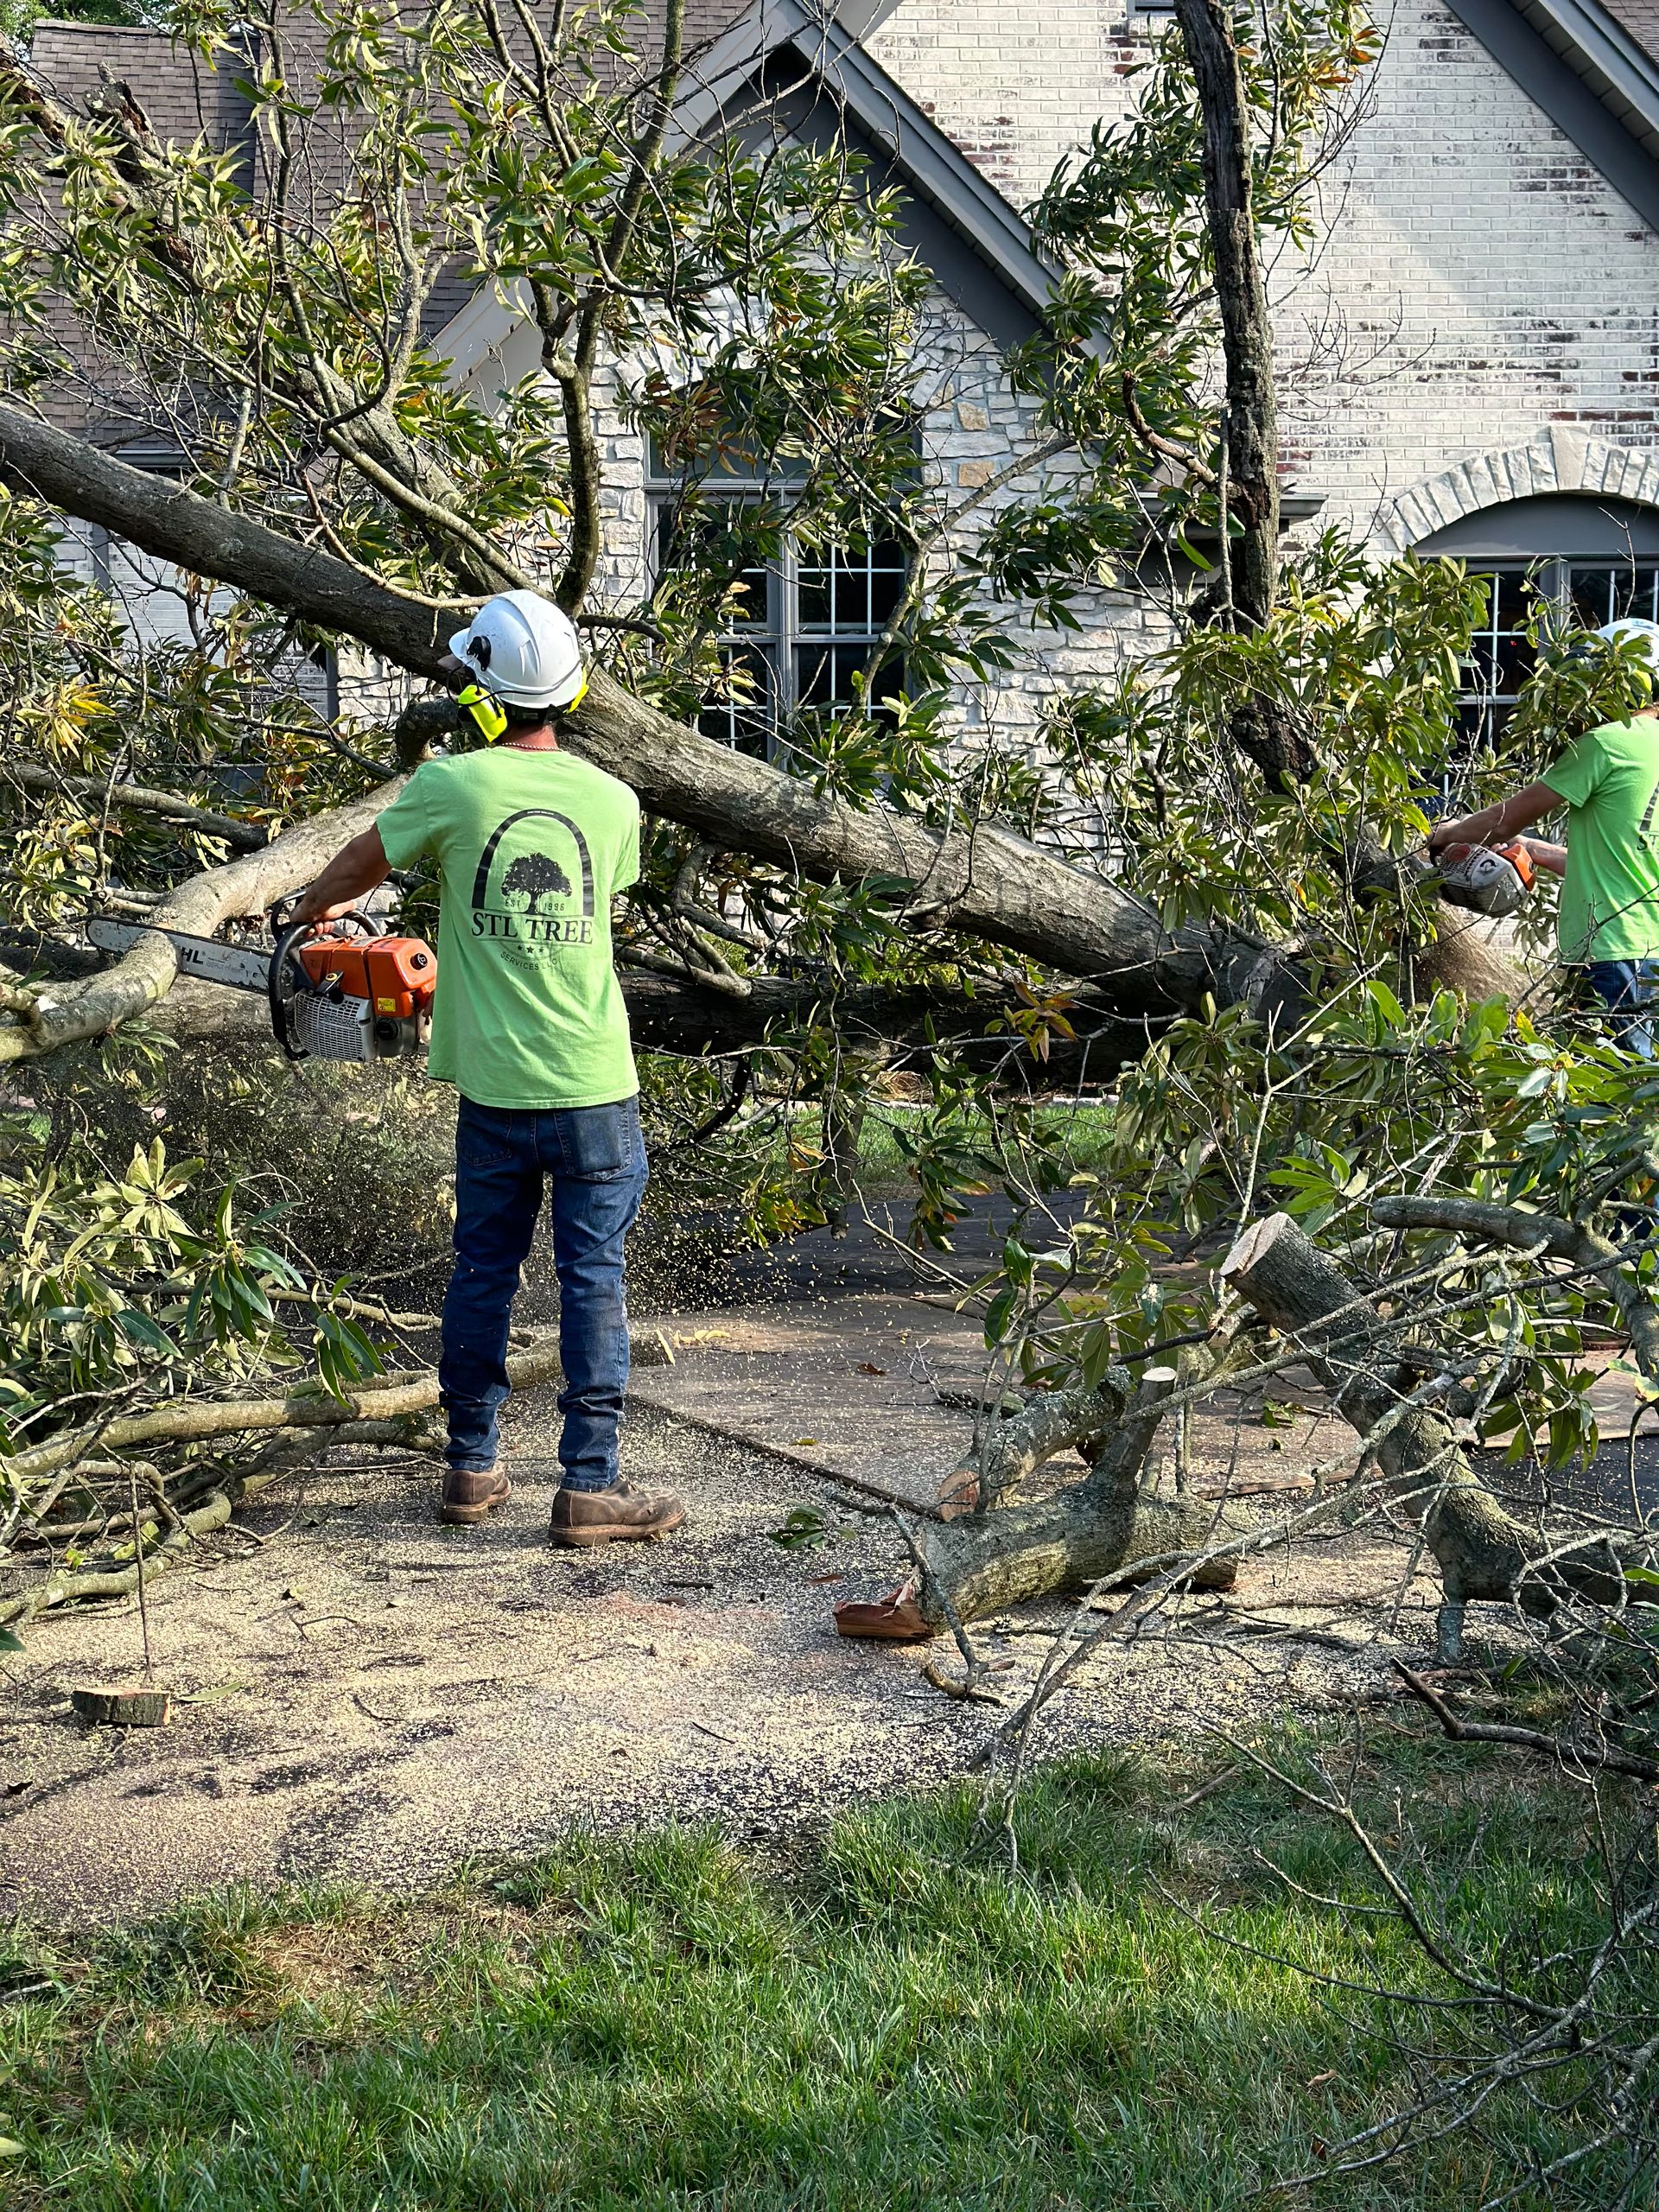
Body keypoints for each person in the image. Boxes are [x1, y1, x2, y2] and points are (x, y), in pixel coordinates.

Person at [289, 590, 684, 1544]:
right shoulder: (615, 801)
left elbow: (356, 866)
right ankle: (590, 1483)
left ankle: (472, 1465)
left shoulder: (453, 787)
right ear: (572, 690)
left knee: (482, 1272)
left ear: (483, 691)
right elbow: (583, 919)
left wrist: (306, 910)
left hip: (495, 1089)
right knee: (593, 1276)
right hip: (596, 1083)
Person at [1429, 616, 1659, 1056]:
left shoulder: (1609, 743)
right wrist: (1534, 849)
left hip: (1614, 954)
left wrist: (1446, 833)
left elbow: (1506, 819)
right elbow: (1626, 859)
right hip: (1650, 951)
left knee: (1610, 1102)